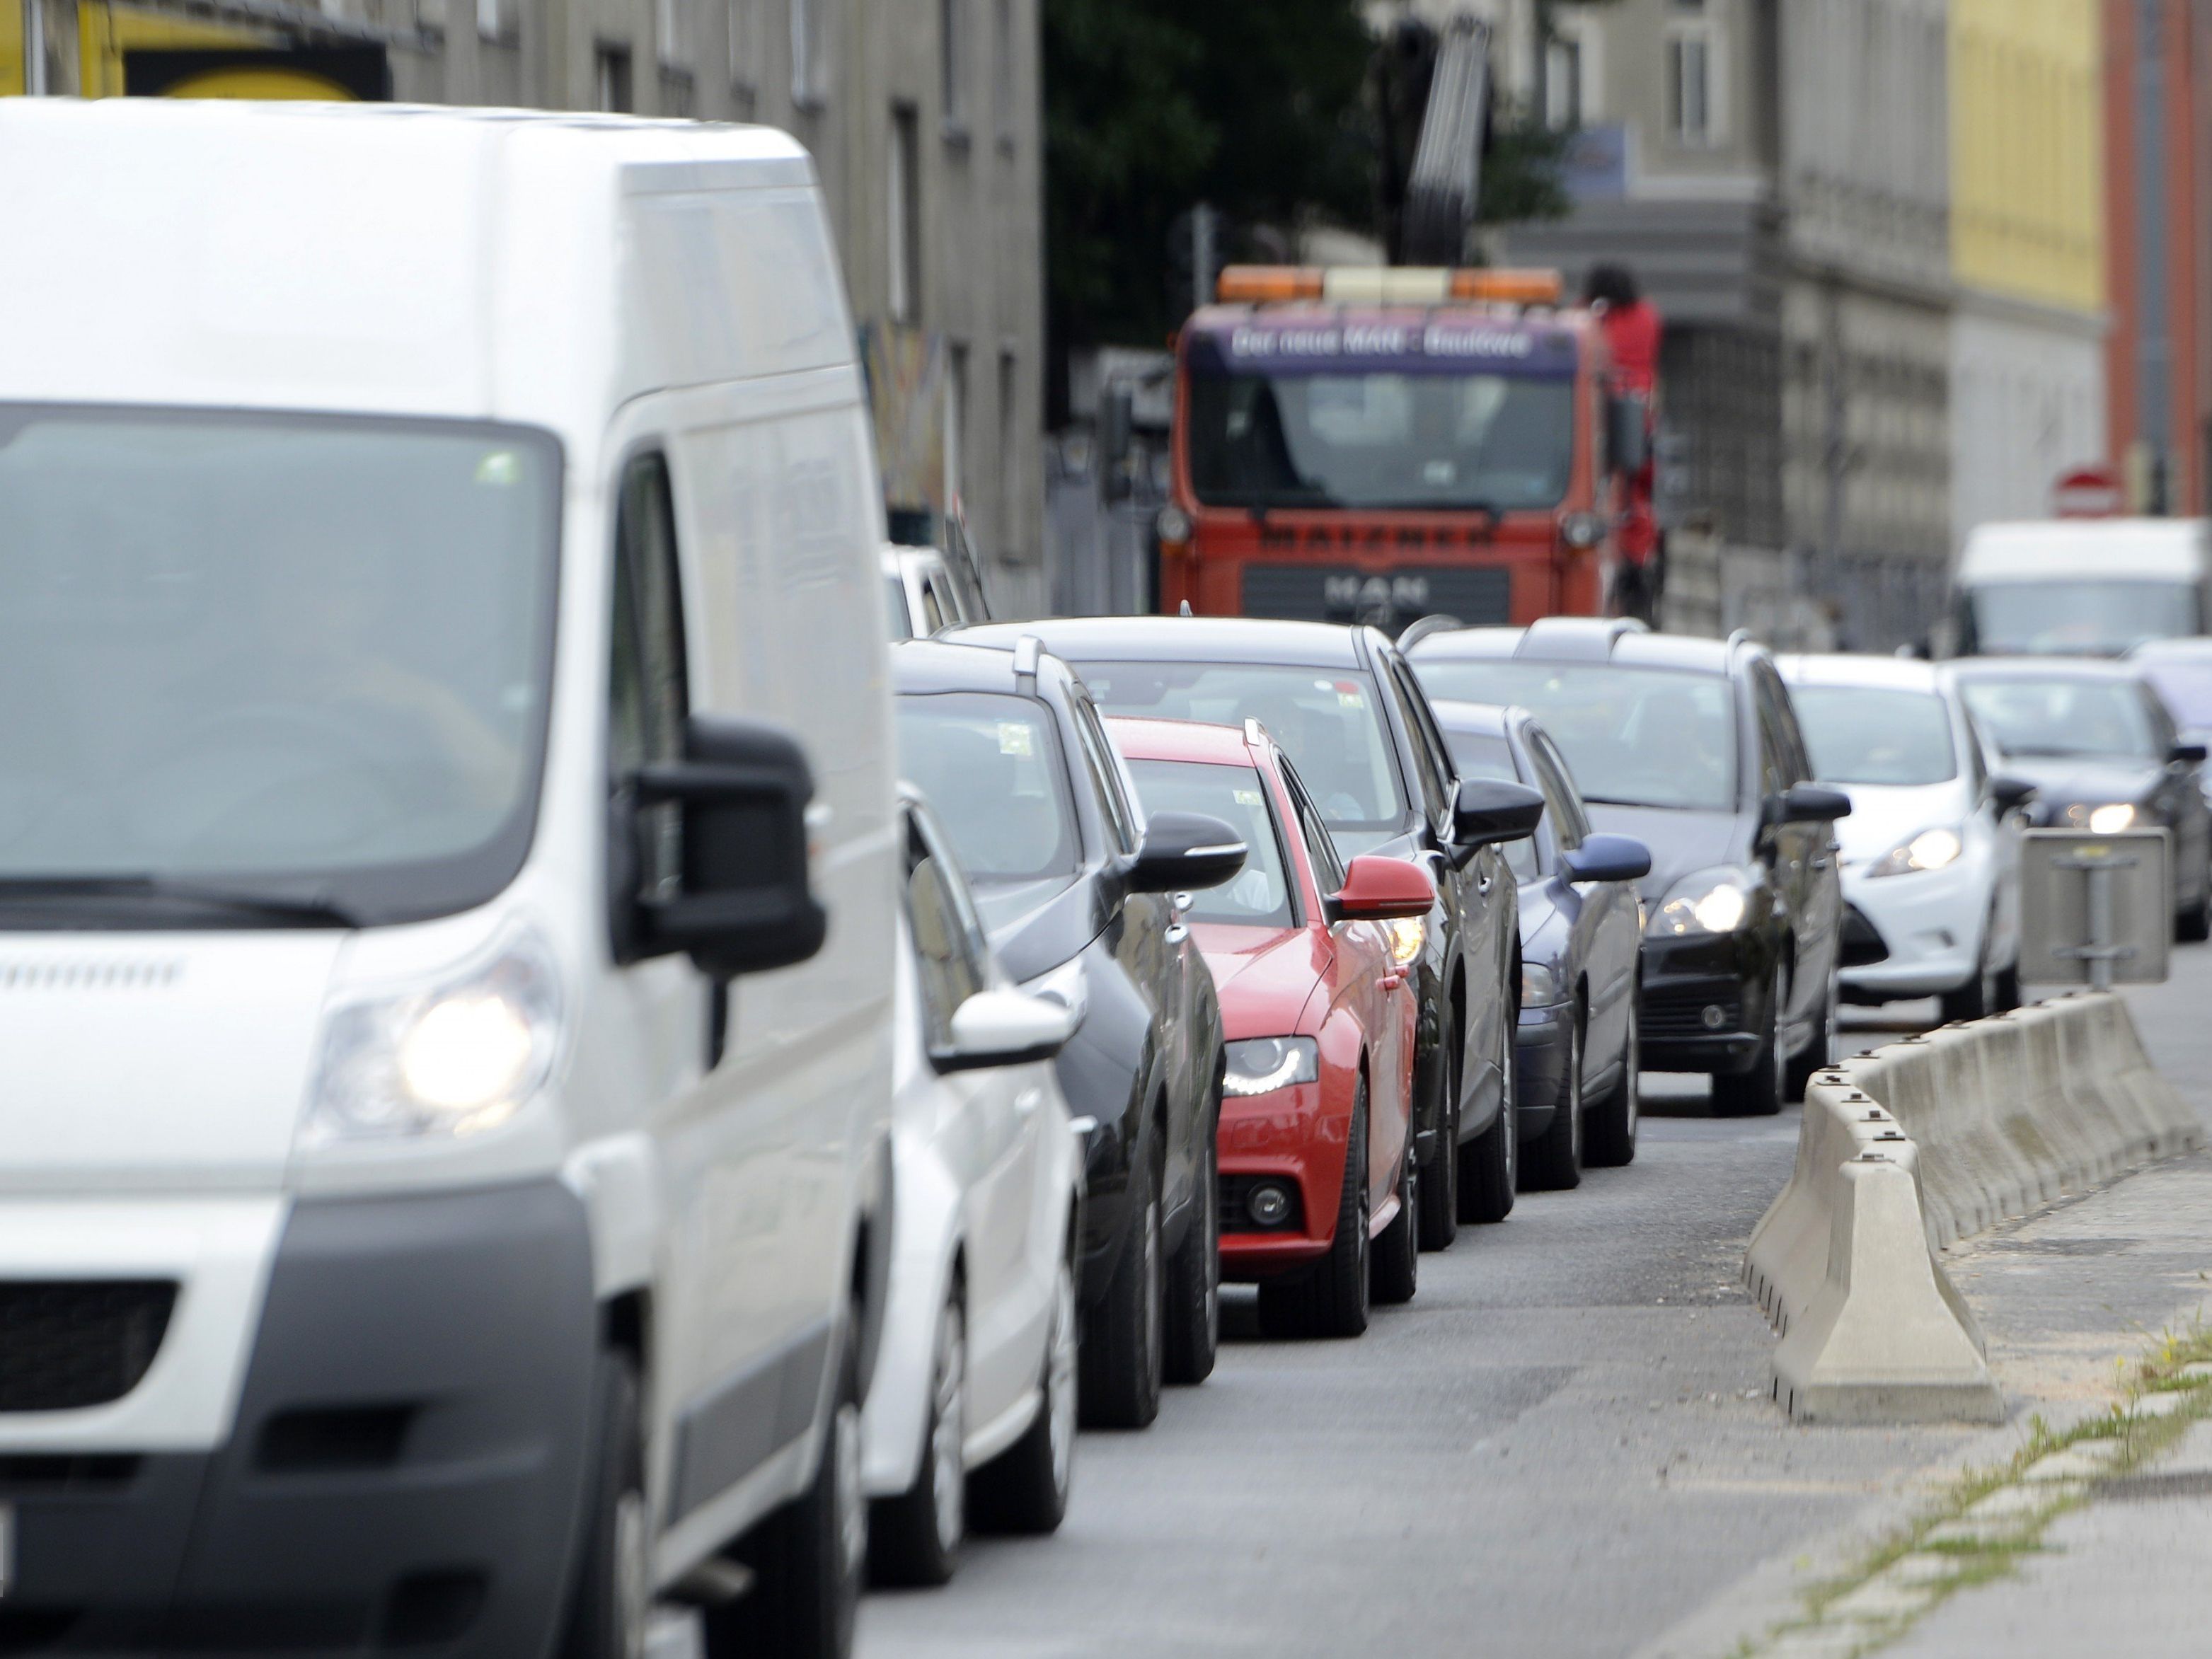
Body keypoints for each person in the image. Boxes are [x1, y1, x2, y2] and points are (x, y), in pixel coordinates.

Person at [1583, 263, 1664, 624]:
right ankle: (1641, 572)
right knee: (1637, 497)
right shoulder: (1647, 319)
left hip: (1599, 422)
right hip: (1639, 421)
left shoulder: (1589, 321)